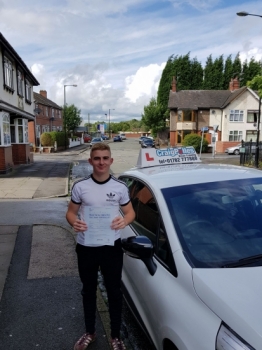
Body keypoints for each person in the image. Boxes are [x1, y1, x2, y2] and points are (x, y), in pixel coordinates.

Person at [66, 142, 135, 350]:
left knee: (114, 291)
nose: (101, 162)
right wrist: (73, 221)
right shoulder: (80, 186)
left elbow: (131, 212)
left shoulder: (120, 187)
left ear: (111, 161)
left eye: (105, 158)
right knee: (88, 291)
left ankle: (115, 336)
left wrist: (125, 221)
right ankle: (90, 332)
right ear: (90, 161)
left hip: (110, 247)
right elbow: (70, 212)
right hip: (86, 247)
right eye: (97, 158)